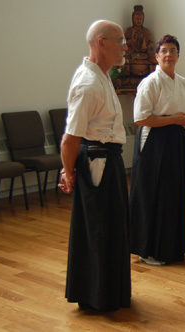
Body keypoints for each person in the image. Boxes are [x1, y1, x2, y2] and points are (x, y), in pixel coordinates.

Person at [60, 20, 131, 312]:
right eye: (120, 41)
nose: (125, 47)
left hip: (108, 160)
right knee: (99, 229)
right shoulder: (88, 83)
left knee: (112, 228)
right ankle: (97, 295)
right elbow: (70, 138)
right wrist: (68, 171)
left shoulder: (102, 75)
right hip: (96, 162)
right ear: (101, 42)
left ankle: (109, 291)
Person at [129, 35, 185, 265]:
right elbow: (141, 119)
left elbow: (183, 112)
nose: (169, 55)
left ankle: (174, 244)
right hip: (155, 141)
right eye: (164, 51)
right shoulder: (150, 82)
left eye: (173, 50)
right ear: (156, 56)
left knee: (173, 193)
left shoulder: (183, 81)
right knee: (153, 193)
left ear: (178, 55)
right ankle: (149, 250)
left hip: (176, 139)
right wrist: (174, 119)